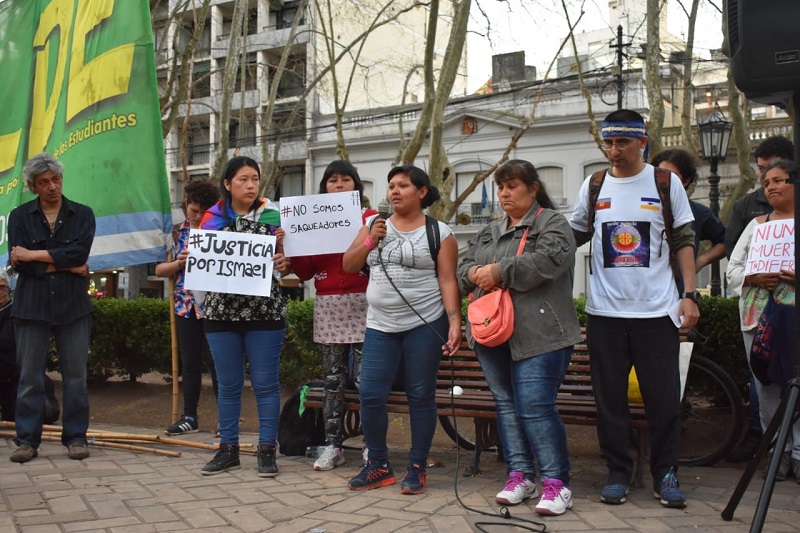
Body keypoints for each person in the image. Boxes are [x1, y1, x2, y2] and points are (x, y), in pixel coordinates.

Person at [569, 109, 699, 508]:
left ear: (642, 141)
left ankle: (666, 474)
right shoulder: (592, 186)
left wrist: (689, 295)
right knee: (610, 402)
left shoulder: (664, 182)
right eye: (608, 142)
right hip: (604, 313)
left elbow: (684, 240)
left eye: (622, 142)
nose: (613, 150)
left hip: (657, 312)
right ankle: (618, 473)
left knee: (663, 400)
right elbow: (571, 236)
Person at [457, 160, 582, 516]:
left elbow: (546, 262)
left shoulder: (553, 223)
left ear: (533, 188)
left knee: (535, 407)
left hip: (541, 335)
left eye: (512, 186)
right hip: (491, 332)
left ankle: (557, 483)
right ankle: (520, 476)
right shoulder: (491, 229)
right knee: (507, 407)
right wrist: (477, 272)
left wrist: (498, 271)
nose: (504, 193)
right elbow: (463, 269)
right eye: (501, 187)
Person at [342, 165, 462, 494]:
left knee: (420, 395)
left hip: (424, 324)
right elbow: (349, 264)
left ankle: (417, 467)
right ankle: (378, 464)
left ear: (422, 192)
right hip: (380, 325)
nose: (394, 191)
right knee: (370, 393)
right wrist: (369, 241)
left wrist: (454, 322)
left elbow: (448, 279)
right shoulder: (373, 225)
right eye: (391, 186)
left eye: (403, 186)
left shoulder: (441, 233)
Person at [198, 156, 292, 477]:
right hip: (221, 313)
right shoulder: (210, 219)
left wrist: (284, 258)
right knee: (228, 385)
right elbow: (204, 259)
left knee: (266, 384)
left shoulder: (276, 215)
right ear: (227, 185)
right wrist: (190, 255)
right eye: (243, 179)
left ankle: (267, 450)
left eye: (255, 179)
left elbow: (288, 264)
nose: (251, 185)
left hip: (265, 312)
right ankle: (228, 449)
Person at [8, 153, 95, 463]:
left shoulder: (82, 214)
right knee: (30, 376)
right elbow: (23, 267)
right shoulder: (18, 217)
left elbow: (79, 253)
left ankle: (75, 438)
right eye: (44, 182)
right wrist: (67, 265)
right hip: (32, 306)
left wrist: (33, 255)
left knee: (76, 376)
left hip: (73, 305)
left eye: (56, 179)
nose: (52, 187)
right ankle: (27, 441)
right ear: (33, 187)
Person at [291, 160, 377, 471]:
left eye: (345, 180)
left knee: (365, 379)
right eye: (332, 181)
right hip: (328, 304)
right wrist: (290, 244)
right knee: (332, 380)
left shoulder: (369, 218)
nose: (338, 186)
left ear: (356, 186)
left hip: (367, 303)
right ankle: (333, 445)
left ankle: (372, 445)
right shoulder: (312, 220)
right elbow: (304, 271)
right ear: (324, 187)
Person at [726, 159, 799, 482]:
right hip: (757, 318)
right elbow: (733, 270)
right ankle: (777, 454)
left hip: (793, 320)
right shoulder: (756, 226)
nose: (771, 187)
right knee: (766, 386)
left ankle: (798, 452)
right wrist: (754, 278)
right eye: (767, 182)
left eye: (779, 180)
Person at [156, 179, 220, 436]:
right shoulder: (173, 233)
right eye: (194, 210)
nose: (198, 216)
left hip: (214, 307)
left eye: (204, 212)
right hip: (185, 306)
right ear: (185, 206)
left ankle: (224, 420)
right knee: (190, 363)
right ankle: (190, 416)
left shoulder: (220, 232)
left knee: (218, 363)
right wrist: (179, 263)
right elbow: (160, 269)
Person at [650, 148, 726, 293]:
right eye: (659, 174)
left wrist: (700, 261)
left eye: (672, 176)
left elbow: (725, 241)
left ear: (686, 181)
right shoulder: (641, 209)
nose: (664, 181)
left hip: (678, 295)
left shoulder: (698, 213)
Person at [0, 270, 17, 422]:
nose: (0, 292)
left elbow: (6, 341)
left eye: (2, 287)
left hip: (8, 366)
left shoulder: (13, 310)